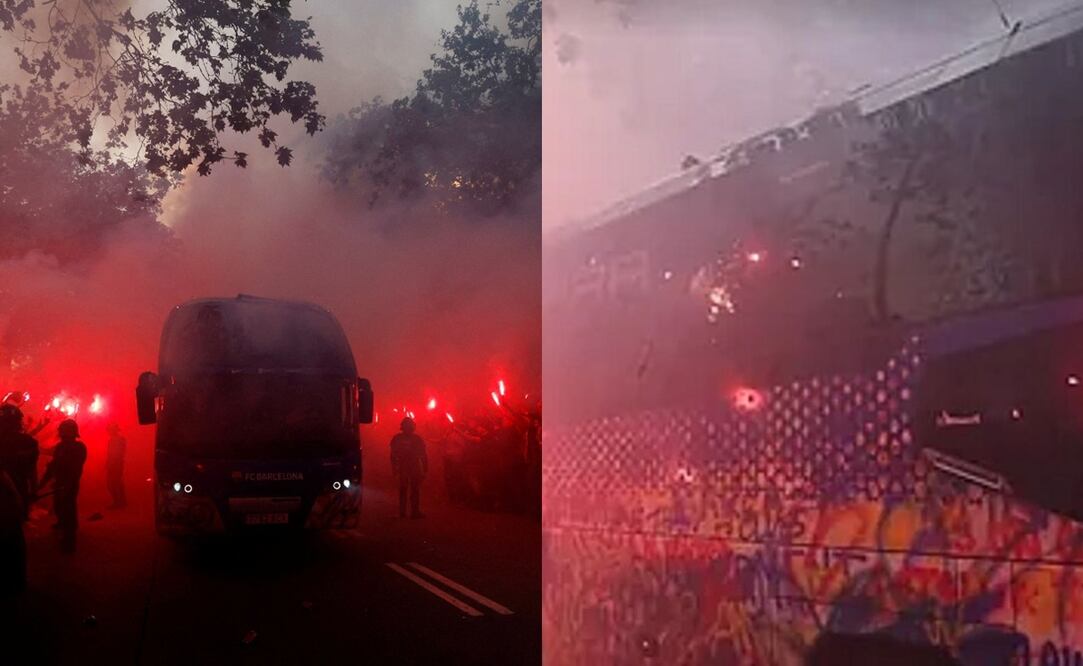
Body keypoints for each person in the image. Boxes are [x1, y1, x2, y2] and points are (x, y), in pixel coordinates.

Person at [39, 420, 86, 553]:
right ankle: (63, 525)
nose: (60, 432)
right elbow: (53, 465)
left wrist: (69, 484)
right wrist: (42, 483)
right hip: (60, 482)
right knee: (59, 506)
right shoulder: (60, 447)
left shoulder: (79, 447)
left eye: (63, 430)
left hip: (70, 483)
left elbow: (75, 468)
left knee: (68, 509)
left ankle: (69, 541)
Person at [0, 405, 39, 521]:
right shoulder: (29, 442)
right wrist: (33, 491)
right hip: (20, 491)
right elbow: (32, 471)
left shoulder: (27, 442)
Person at [390, 417, 427, 519]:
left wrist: (394, 468)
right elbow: (423, 455)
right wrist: (425, 469)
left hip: (408, 466)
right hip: (409, 466)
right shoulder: (416, 439)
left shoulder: (397, 438)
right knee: (410, 489)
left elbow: (393, 455)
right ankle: (412, 512)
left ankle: (405, 512)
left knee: (407, 489)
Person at [105, 423, 127, 509]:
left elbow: (118, 453)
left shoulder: (119, 440)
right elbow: (111, 453)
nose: (109, 432)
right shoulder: (116, 440)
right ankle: (120, 501)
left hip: (116, 464)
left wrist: (111, 463)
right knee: (116, 483)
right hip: (115, 463)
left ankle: (118, 502)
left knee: (113, 483)